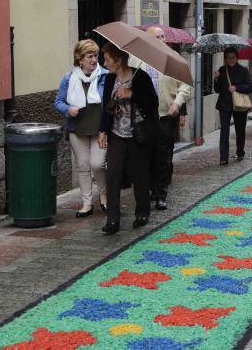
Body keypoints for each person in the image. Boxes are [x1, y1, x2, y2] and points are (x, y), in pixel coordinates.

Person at [98, 43, 159, 233]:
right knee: (113, 175)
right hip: (117, 133)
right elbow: (105, 107)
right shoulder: (109, 79)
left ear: (118, 60)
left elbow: (152, 102)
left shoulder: (140, 76)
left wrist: (132, 94)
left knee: (139, 174)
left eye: (107, 59)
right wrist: (103, 130)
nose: (105, 63)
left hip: (137, 133)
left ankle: (142, 212)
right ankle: (112, 220)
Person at [54, 39, 108, 218]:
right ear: (80, 59)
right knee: (83, 167)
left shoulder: (105, 76)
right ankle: (86, 204)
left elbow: (110, 103)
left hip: (99, 130)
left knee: (97, 164)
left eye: (96, 56)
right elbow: (58, 102)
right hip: (77, 130)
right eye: (90, 56)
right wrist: (68, 110)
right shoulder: (69, 78)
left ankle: (104, 194)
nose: (94, 59)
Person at [144, 26, 192, 211]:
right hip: (145, 116)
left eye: (163, 36)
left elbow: (185, 85)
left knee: (164, 156)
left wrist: (178, 103)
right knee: (147, 155)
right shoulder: (138, 60)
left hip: (166, 115)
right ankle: (152, 188)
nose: (162, 39)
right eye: (157, 37)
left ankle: (161, 194)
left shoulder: (175, 59)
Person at [214, 47, 252, 165]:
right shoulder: (222, 70)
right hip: (224, 104)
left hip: (240, 105)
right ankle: (223, 157)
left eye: (233, 58)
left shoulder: (243, 70)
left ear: (237, 58)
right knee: (224, 130)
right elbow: (217, 90)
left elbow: (250, 87)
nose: (231, 60)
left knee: (240, 129)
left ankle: (240, 151)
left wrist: (237, 87)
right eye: (228, 58)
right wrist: (216, 79)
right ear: (225, 58)